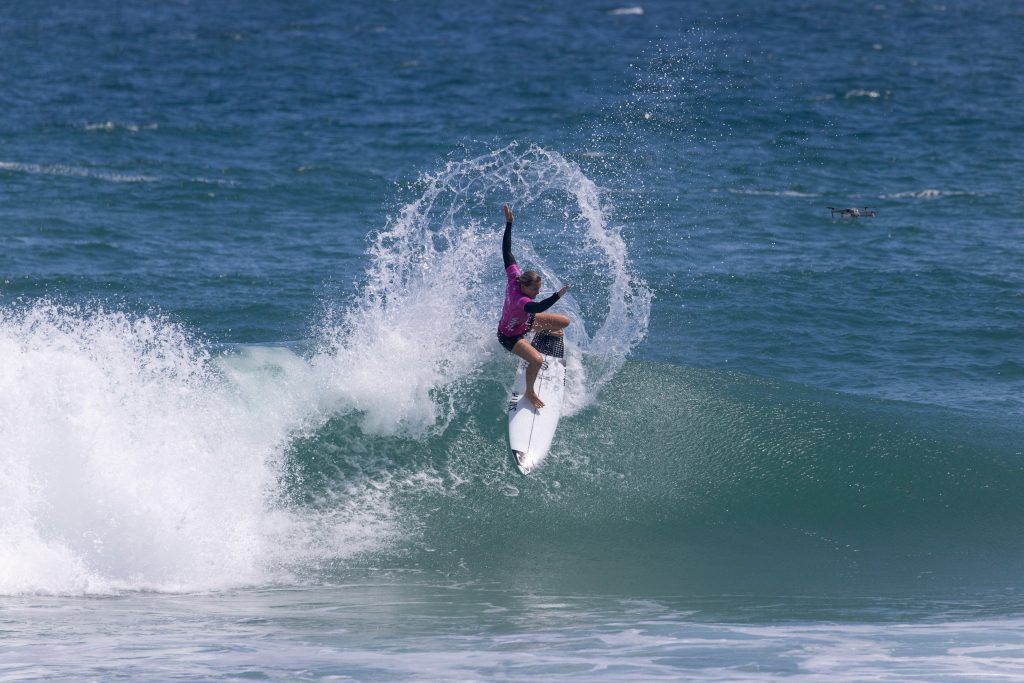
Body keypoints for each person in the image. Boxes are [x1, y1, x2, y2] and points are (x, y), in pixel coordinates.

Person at [496, 203, 570, 409]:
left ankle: (539, 334)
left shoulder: (515, 277)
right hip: (510, 337)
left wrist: (509, 224)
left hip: (524, 324)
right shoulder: (523, 302)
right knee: (537, 360)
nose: (537, 292)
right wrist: (557, 295)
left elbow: (507, 250)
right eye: (535, 290)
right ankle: (529, 391)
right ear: (526, 286)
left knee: (564, 322)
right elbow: (538, 308)